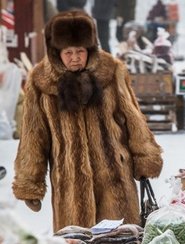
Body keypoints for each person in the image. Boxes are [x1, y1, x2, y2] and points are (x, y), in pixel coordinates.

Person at [11, 10, 163, 232]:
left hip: (114, 177)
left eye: (80, 51)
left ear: (90, 49)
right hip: (70, 184)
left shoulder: (111, 71)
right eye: (68, 52)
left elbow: (132, 117)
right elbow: (33, 136)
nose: (75, 57)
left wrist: (145, 157)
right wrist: (30, 183)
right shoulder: (40, 82)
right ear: (56, 52)